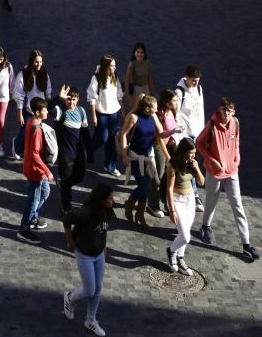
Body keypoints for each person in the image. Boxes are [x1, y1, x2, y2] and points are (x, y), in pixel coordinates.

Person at [197, 98, 260, 260]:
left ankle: (246, 244)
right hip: (215, 172)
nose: (226, 114)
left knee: (237, 205)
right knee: (211, 202)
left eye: (229, 111)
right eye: (224, 110)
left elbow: (236, 141)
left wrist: (236, 158)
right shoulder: (211, 125)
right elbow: (199, 143)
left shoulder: (235, 123)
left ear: (234, 112)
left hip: (232, 171)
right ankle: (205, 227)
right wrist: (211, 159)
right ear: (220, 110)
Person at [63, 183, 112, 337]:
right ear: (102, 199)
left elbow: (103, 230)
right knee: (89, 290)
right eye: (110, 198)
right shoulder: (86, 212)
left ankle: (90, 320)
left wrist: (103, 246)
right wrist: (70, 242)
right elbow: (67, 218)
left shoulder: (106, 211)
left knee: (97, 289)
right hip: (84, 254)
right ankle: (69, 298)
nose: (113, 200)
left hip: (98, 254)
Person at [50, 84, 89, 233]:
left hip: (78, 153)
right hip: (65, 155)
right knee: (66, 185)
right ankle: (66, 209)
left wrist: (89, 152)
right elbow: (49, 108)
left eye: (73, 99)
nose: (71, 102)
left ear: (78, 99)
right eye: (68, 100)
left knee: (79, 176)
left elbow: (85, 132)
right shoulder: (61, 110)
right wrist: (58, 98)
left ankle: (64, 185)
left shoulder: (81, 111)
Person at [165, 135, 203, 274]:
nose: (192, 156)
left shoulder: (193, 163)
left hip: (190, 200)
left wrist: (197, 168)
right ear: (183, 151)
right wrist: (172, 210)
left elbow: (201, 182)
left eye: (194, 153)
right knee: (185, 236)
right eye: (190, 153)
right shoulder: (173, 164)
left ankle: (180, 257)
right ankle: (171, 250)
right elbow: (169, 189)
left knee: (186, 231)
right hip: (177, 200)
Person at [119, 93, 158, 229]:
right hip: (135, 157)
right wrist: (124, 155)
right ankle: (129, 204)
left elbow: (159, 132)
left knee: (146, 186)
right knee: (144, 186)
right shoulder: (134, 117)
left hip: (147, 156)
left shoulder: (152, 116)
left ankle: (139, 214)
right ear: (147, 108)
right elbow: (123, 134)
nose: (156, 111)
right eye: (154, 108)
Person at [18, 96, 55, 236]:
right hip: (36, 170)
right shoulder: (37, 129)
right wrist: (47, 171)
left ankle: (32, 217)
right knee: (33, 200)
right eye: (45, 110)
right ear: (38, 112)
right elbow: (35, 154)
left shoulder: (31, 122)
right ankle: (24, 227)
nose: (47, 112)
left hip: (34, 168)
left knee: (45, 192)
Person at [86, 54, 123, 175]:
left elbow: (119, 93)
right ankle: (88, 150)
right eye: (112, 66)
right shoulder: (96, 78)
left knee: (112, 140)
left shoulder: (114, 76)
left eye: (114, 66)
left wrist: (122, 110)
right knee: (102, 137)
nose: (114, 68)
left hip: (114, 113)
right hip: (101, 113)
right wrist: (94, 115)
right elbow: (92, 98)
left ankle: (110, 166)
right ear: (106, 66)